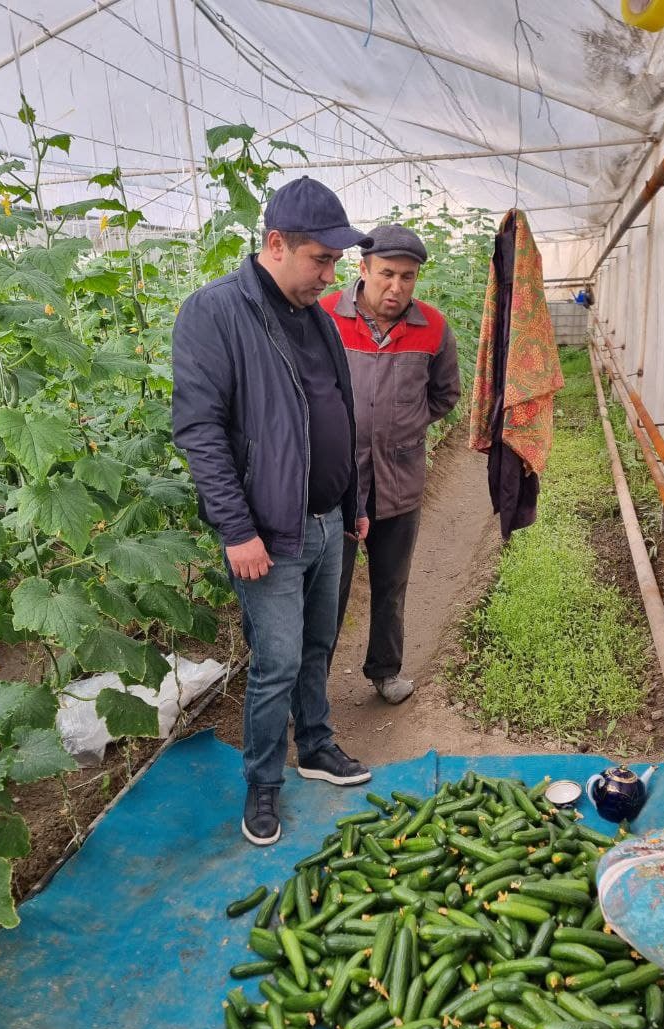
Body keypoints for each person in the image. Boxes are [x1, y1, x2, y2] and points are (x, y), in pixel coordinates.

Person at [172, 177, 373, 847]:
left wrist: (353, 500)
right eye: (322, 259)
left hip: (326, 522)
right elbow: (200, 430)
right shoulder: (215, 312)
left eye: (337, 262)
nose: (332, 273)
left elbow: (337, 410)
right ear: (277, 244)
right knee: (277, 662)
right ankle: (263, 785)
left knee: (318, 647)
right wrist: (237, 530)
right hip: (269, 534)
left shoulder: (314, 316)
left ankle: (315, 746)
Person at [322, 224, 461, 704]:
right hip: (336, 482)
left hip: (399, 478)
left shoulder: (434, 328)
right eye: (386, 274)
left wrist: (405, 423)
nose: (396, 287)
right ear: (362, 269)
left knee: (391, 584)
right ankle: (310, 685)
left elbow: (446, 393)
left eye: (408, 277)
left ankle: (385, 671)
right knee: (327, 591)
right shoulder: (324, 317)